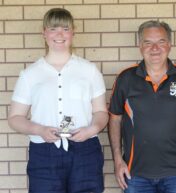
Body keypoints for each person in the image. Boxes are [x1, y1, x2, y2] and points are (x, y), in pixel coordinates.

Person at [8, 8, 108, 193]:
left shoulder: (89, 70)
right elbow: (15, 117)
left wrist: (91, 130)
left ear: (73, 32)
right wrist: (39, 130)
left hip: (85, 150)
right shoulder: (30, 74)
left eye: (65, 28)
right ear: (44, 32)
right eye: (53, 29)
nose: (59, 34)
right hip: (44, 152)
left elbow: (101, 112)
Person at [108, 20, 176, 193]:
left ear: (169, 44)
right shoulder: (125, 79)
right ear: (140, 46)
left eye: (161, 42)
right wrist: (117, 160)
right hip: (134, 173)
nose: (155, 48)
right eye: (148, 42)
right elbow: (115, 119)